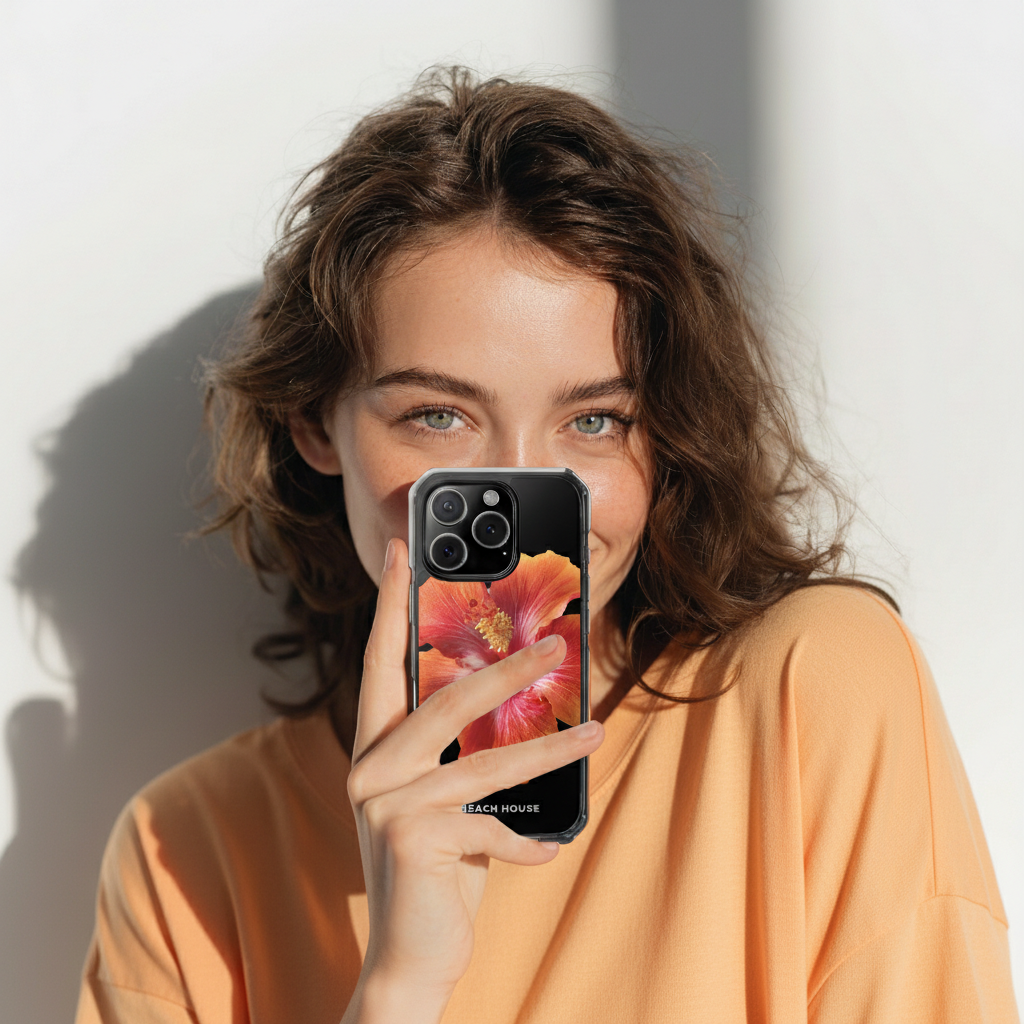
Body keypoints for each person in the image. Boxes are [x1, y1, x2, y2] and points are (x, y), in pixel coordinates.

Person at [74, 69, 1019, 1023]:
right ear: (316, 421)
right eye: (438, 415)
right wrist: (399, 988)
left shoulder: (815, 692)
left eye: (595, 421)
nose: (528, 497)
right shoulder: (181, 852)